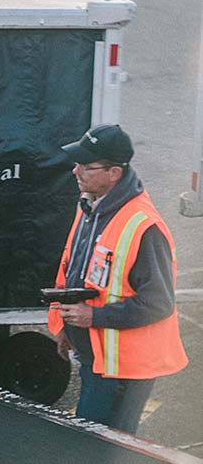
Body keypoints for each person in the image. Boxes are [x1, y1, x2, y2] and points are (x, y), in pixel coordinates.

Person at [48, 124, 187, 433]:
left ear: (114, 173)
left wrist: (93, 317)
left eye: (86, 166)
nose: (76, 172)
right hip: (97, 359)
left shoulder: (144, 227)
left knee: (104, 448)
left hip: (123, 369)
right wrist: (69, 328)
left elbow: (159, 303)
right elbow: (81, 274)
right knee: (92, 444)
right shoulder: (91, 207)